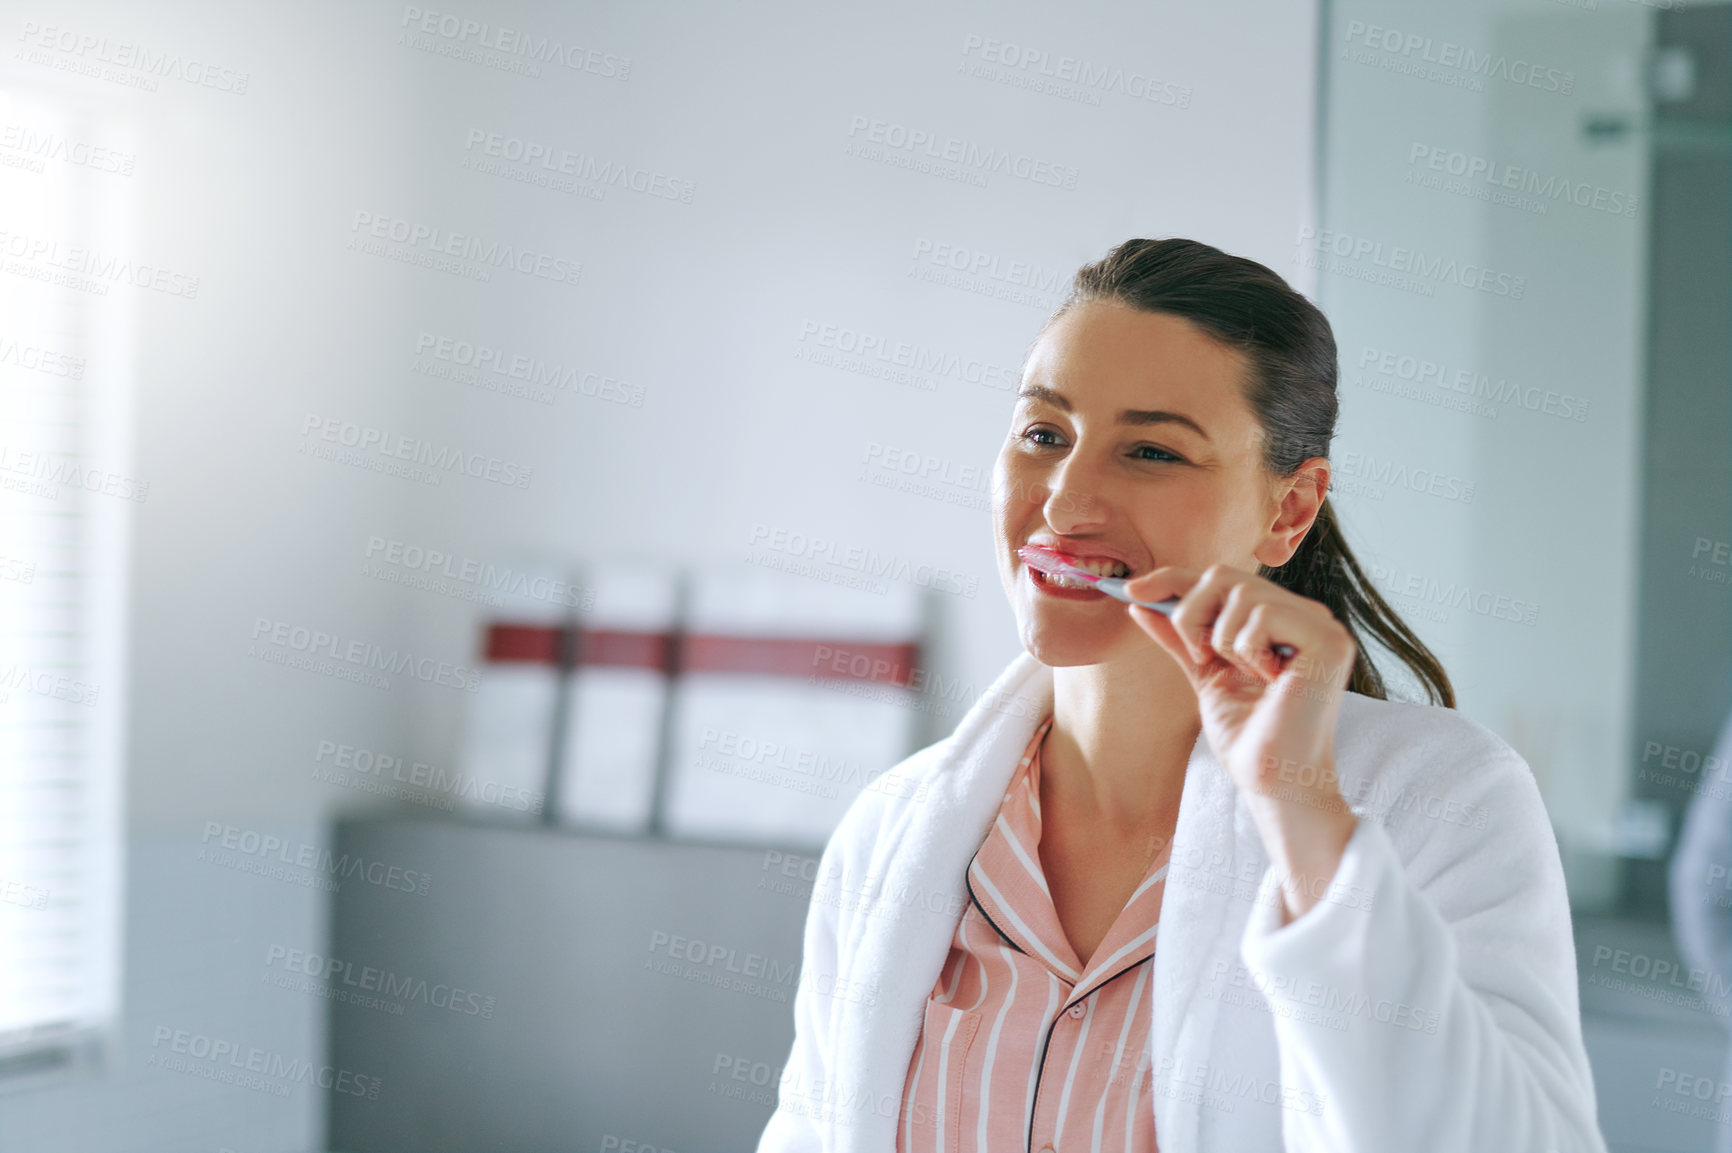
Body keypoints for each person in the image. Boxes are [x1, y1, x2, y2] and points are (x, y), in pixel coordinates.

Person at [755, 238, 1606, 1152]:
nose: (1066, 500)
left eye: (1151, 450)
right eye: (1044, 434)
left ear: (1290, 510)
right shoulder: (893, 827)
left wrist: (1301, 813)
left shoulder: (1443, 799)